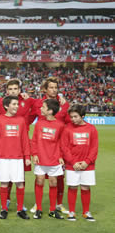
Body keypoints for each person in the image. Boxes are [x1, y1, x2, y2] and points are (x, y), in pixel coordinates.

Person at [29, 77, 70, 214]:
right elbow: (27, 118)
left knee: (59, 177)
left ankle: (58, 204)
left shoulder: (64, 104)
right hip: (42, 147)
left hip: (57, 148)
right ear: (45, 89)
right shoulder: (38, 104)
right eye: (51, 87)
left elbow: (69, 123)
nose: (53, 90)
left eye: (55, 87)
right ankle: (38, 204)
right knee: (39, 177)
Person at [0, 79, 35, 210]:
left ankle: (20, 205)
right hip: (6, 148)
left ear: (19, 90)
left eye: (15, 89)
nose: (13, 91)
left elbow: (41, 105)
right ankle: (6, 201)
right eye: (10, 89)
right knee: (6, 179)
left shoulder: (27, 101)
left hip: (20, 146)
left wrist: (60, 99)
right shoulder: (0, 103)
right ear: (7, 91)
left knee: (20, 178)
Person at [0, 96, 31, 220]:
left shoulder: (21, 120)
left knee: (19, 183)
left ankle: (20, 210)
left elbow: (24, 139)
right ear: (6, 106)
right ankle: (4, 209)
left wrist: (27, 156)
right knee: (4, 183)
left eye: (17, 104)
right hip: (3, 157)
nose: (16, 106)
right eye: (13, 104)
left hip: (18, 157)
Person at [61, 105, 98, 222]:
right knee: (72, 187)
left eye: (75, 117)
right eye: (71, 117)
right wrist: (73, 162)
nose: (73, 119)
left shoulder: (91, 129)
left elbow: (94, 148)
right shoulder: (67, 129)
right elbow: (64, 147)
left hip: (88, 165)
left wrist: (87, 162)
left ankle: (86, 212)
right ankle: (71, 212)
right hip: (72, 165)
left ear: (82, 116)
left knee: (85, 187)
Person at [31, 99, 65, 220]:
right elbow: (34, 139)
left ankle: (52, 210)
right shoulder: (39, 123)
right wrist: (34, 153)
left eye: (43, 107)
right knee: (39, 181)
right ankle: (39, 208)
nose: (41, 108)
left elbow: (62, 142)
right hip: (40, 158)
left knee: (53, 182)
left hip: (54, 158)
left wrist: (61, 156)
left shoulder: (60, 125)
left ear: (50, 111)